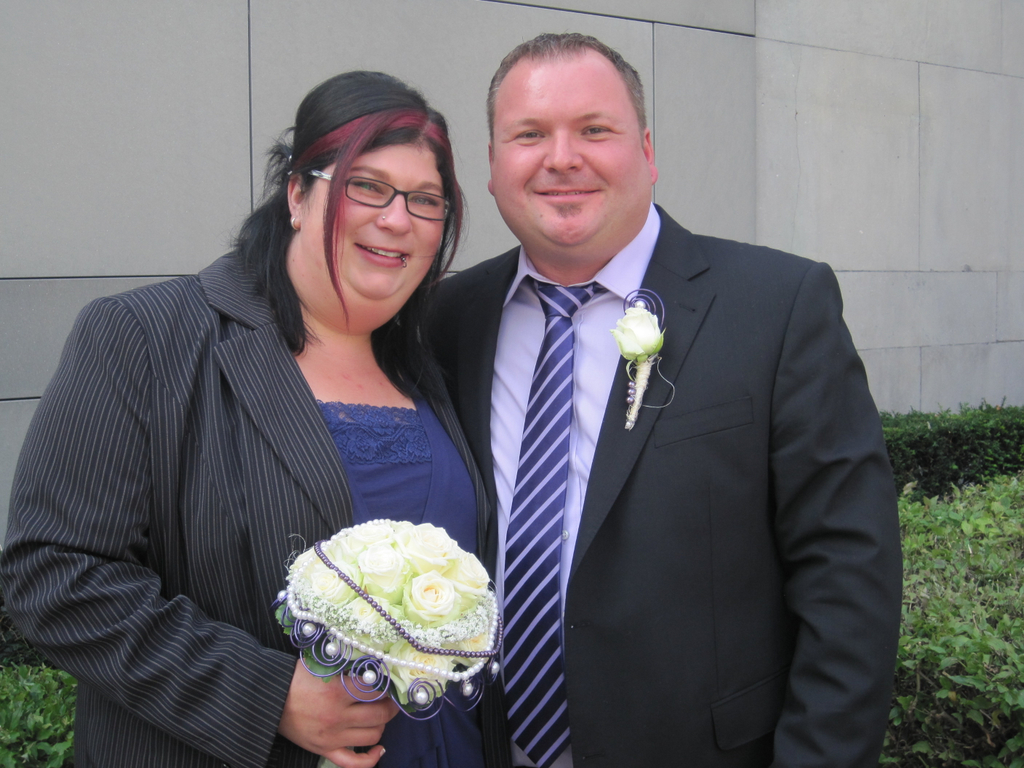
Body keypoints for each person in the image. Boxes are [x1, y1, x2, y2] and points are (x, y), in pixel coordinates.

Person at [429, 33, 903, 768]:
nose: (562, 158)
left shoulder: (778, 306)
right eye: (529, 135)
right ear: (491, 166)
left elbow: (849, 577)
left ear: (647, 151)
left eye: (595, 130)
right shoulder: (446, 319)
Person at [1, 71, 490, 768]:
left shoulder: (430, 361)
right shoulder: (146, 338)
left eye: (426, 199)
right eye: (366, 186)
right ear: (296, 194)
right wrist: (266, 696)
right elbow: (52, 570)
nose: (397, 219)